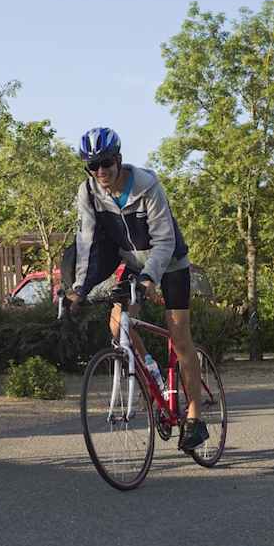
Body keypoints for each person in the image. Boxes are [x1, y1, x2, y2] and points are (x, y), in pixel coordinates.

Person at [64, 127, 209, 451]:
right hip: (132, 263)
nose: (100, 171)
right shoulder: (88, 193)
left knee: (179, 336)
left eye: (105, 163)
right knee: (118, 326)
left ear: (118, 159)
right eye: (92, 165)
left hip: (169, 264)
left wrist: (147, 280)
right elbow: (86, 244)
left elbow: (164, 240)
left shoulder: (147, 185)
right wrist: (78, 290)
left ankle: (196, 417)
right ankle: (154, 378)